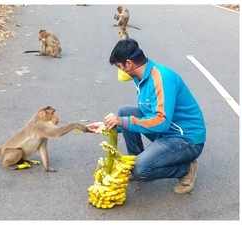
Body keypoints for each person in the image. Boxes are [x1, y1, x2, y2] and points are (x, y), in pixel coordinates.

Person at [87, 39, 206, 194]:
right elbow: (143, 117)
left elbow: (161, 121)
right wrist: (108, 126)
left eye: (119, 66)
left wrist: (122, 121)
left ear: (128, 64)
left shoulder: (161, 78)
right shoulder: (141, 77)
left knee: (139, 169)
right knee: (125, 112)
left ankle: (185, 169)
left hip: (186, 139)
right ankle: (138, 159)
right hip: (166, 131)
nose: (119, 71)